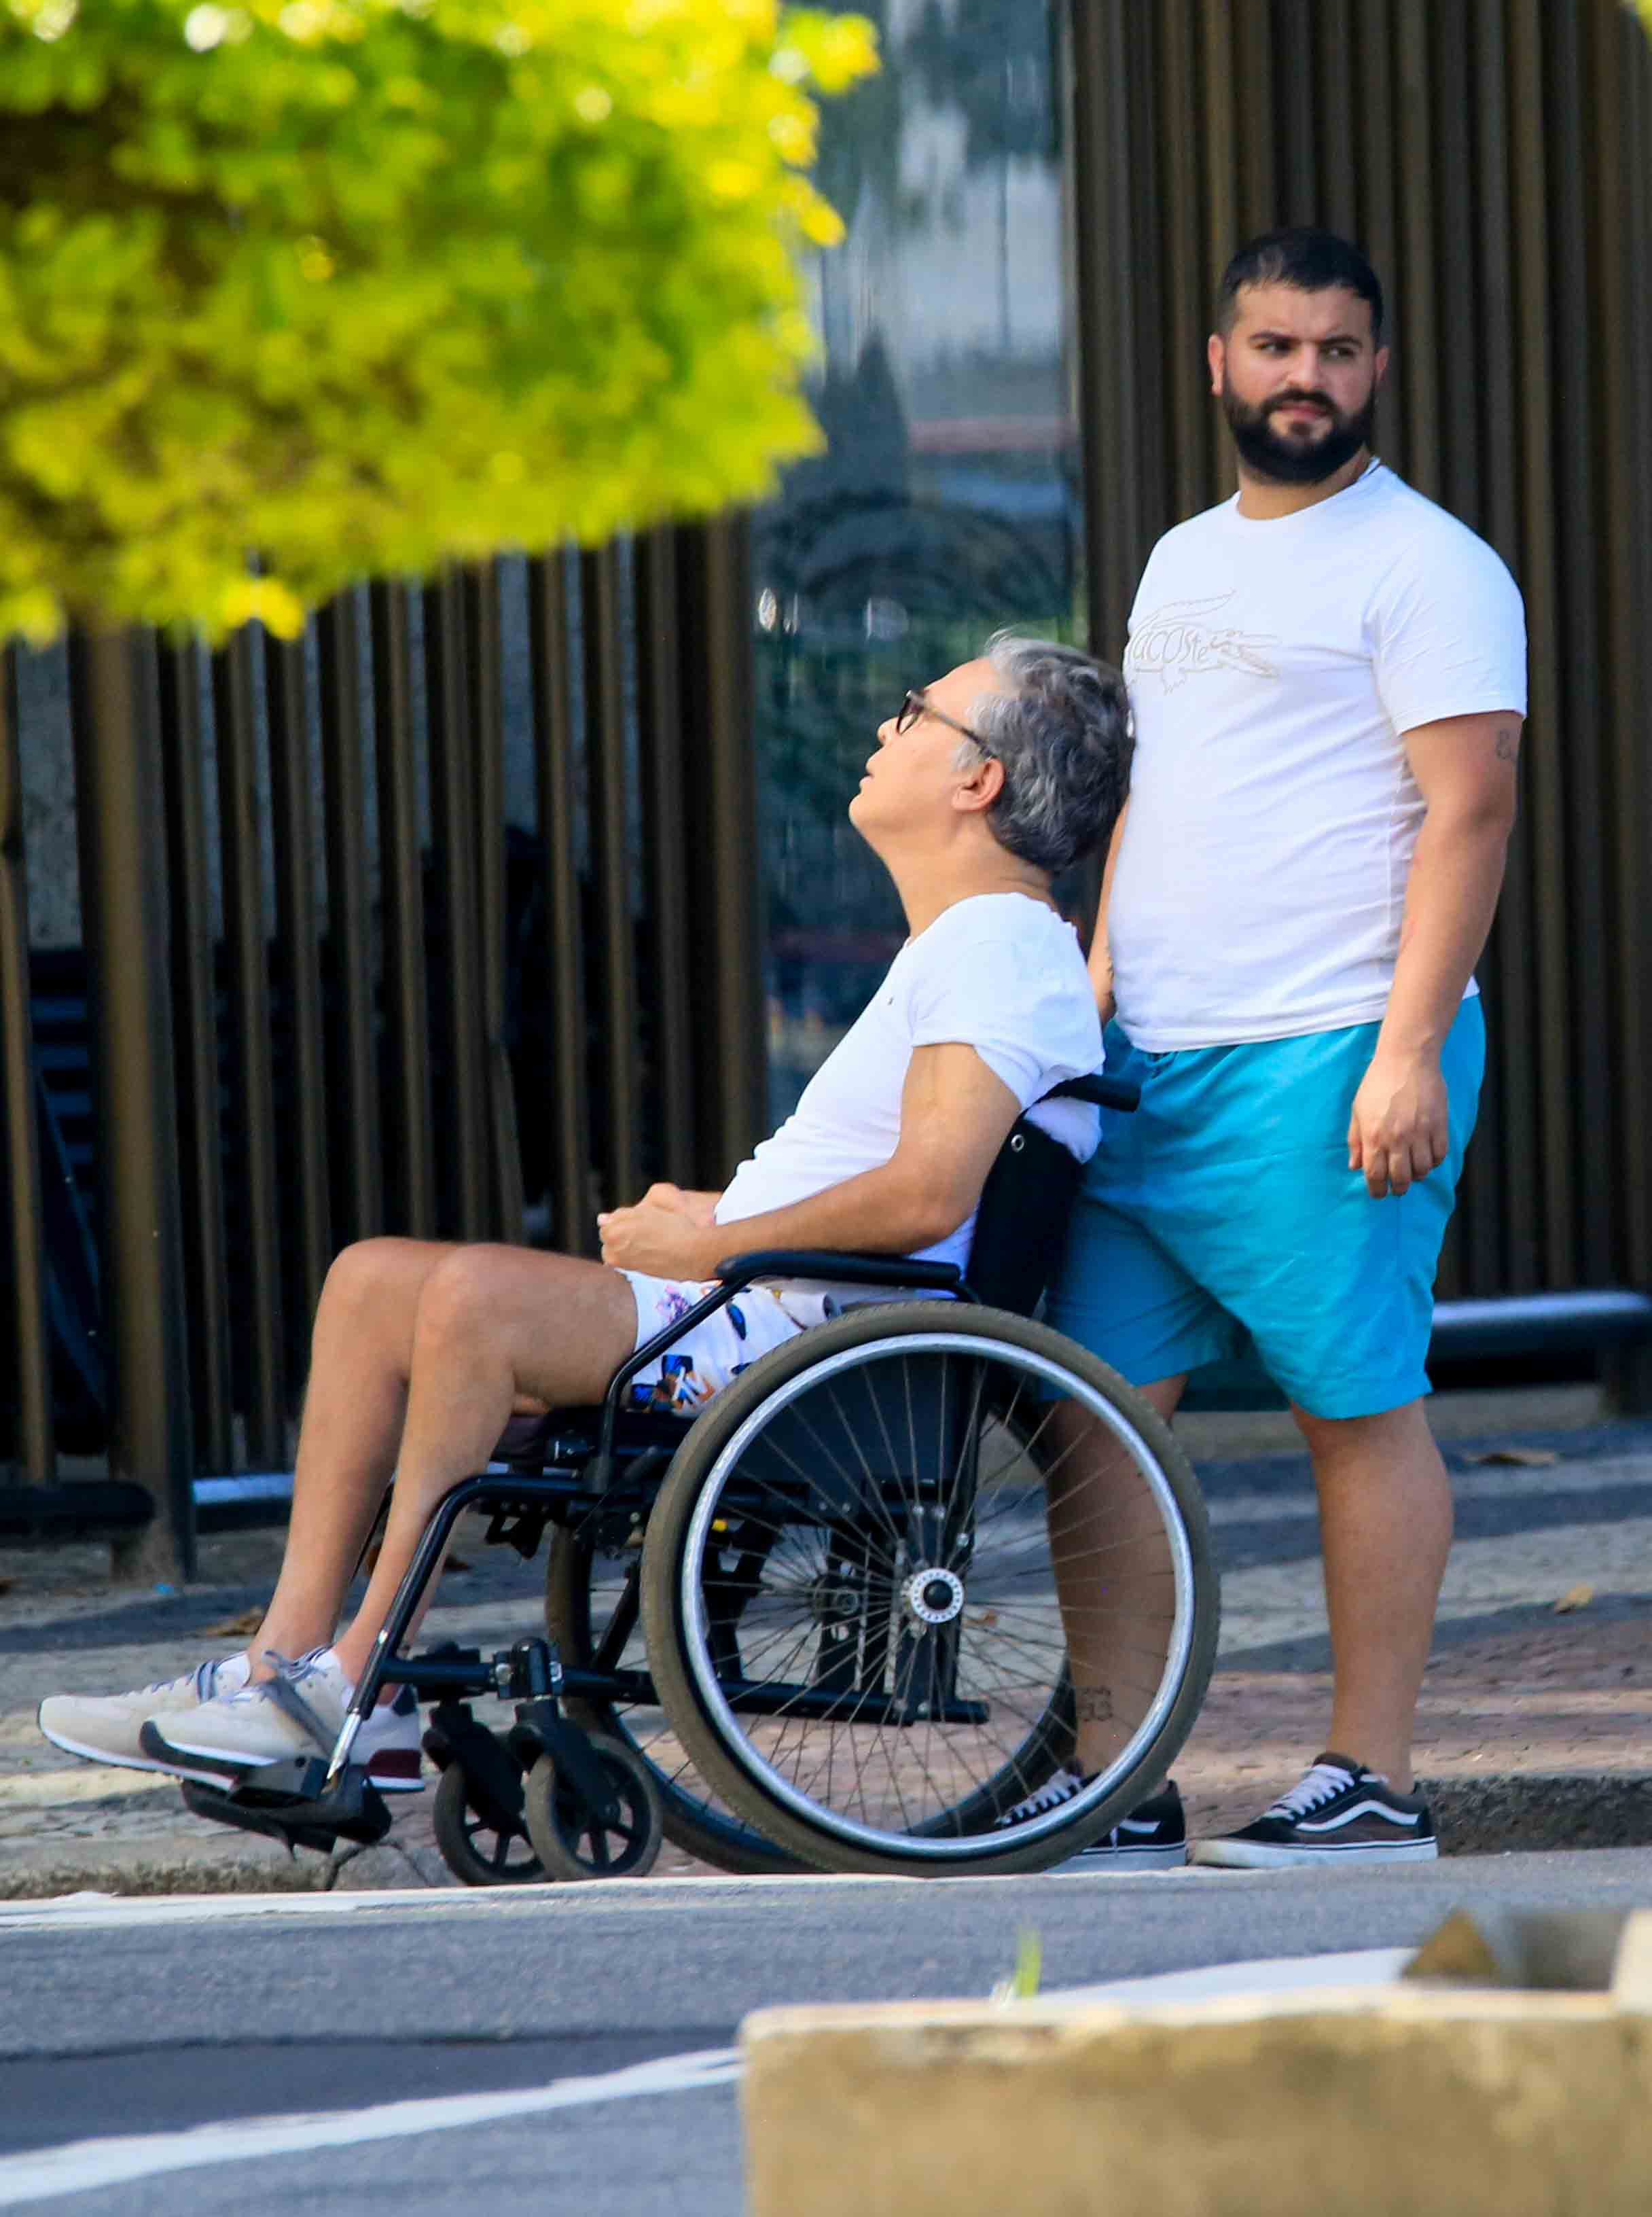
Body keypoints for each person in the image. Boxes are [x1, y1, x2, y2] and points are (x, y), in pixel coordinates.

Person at [40, 635, 1137, 1832]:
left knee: (474, 1299)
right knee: (368, 1281)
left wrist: (714, 1245)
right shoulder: (971, 946)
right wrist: (716, 1218)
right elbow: (909, 1183)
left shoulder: (998, 946)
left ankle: (362, 1683)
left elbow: (930, 1197)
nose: (886, 731)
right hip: (779, 1304)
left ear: (979, 781)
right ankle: (279, 1669)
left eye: (916, 714)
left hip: (807, 1340)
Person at [1024, 227, 1528, 1869]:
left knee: (1353, 1410)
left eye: (1333, 350)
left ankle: (1368, 1779)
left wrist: (1403, 1057)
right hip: (1155, 1064)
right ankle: (1115, 1777)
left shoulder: (1429, 566)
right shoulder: (1178, 560)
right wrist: (1095, 975)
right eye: (1272, 345)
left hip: (1328, 1060)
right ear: (1218, 361)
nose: (1301, 375)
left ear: (1374, 371)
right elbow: (1154, 795)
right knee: (1095, 1413)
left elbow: (1471, 809)